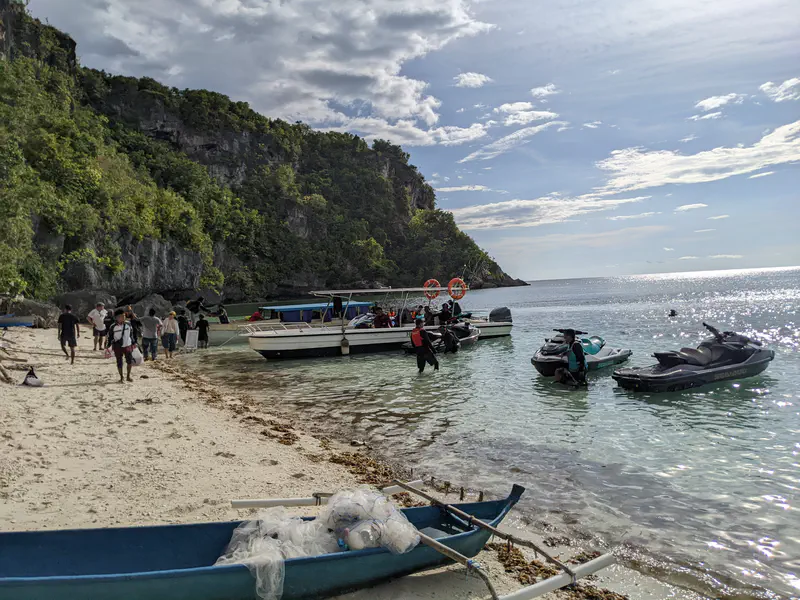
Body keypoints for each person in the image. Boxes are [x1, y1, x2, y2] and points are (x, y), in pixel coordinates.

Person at [108, 308, 135, 383]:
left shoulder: (128, 324)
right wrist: (108, 347)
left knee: (129, 362)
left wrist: (133, 343)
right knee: (119, 362)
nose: (123, 318)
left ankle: (128, 376)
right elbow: (110, 337)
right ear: (116, 317)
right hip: (118, 346)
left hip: (128, 345)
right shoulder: (113, 326)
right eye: (121, 316)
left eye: (124, 316)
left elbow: (131, 335)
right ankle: (121, 377)